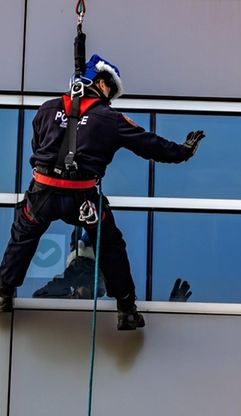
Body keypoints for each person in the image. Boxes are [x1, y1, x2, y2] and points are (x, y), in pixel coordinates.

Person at [0, 54, 205, 330]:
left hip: (42, 193)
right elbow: (148, 144)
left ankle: (2, 293)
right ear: (99, 82)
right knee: (109, 244)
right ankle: (126, 308)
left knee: (22, 237)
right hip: (83, 198)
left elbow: (37, 149)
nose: (110, 97)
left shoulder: (46, 109)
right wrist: (182, 152)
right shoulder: (109, 119)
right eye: (110, 88)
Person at [33, 229, 105, 299]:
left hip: (79, 270)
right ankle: (76, 294)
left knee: (39, 295)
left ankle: (73, 295)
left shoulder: (72, 273)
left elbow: (37, 295)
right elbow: (101, 291)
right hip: (90, 271)